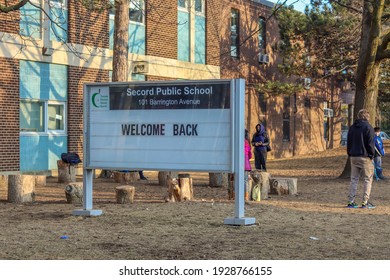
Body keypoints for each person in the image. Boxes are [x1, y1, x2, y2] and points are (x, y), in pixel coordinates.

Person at [346, 109, 376, 209]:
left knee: (354, 179)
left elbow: (349, 142)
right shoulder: (369, 128)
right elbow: (371, 144)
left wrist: (350, 153)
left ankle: (351, 201)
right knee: (367, 179)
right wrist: (372, 156)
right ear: (367, 117)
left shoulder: (352, 128)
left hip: (353, 156)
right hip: (365, 157)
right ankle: (365, 202)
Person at [244, 129, 252, 201]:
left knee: (236, 180)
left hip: (238, 165)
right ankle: (246, 196)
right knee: (246, 181)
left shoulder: (237, 141)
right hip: (246, 165)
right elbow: (250, 155)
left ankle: (234, 195)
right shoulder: (247, 143)